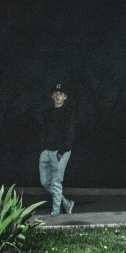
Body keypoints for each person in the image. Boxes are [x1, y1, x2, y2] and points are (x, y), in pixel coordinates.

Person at [39, 83, 75, 215]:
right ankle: (66, 203)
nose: (57, 96)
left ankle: (56, 213)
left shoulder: (68, 113)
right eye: (55, 94)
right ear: (52, 96)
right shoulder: (47, 112)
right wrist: (42, 148)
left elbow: (70, 133)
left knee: (55, 182)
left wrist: (61, 151)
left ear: (65, 97)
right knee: (44, 182)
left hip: (61, 152)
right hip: (46, 151)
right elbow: (43, 130)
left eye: (60, 94)